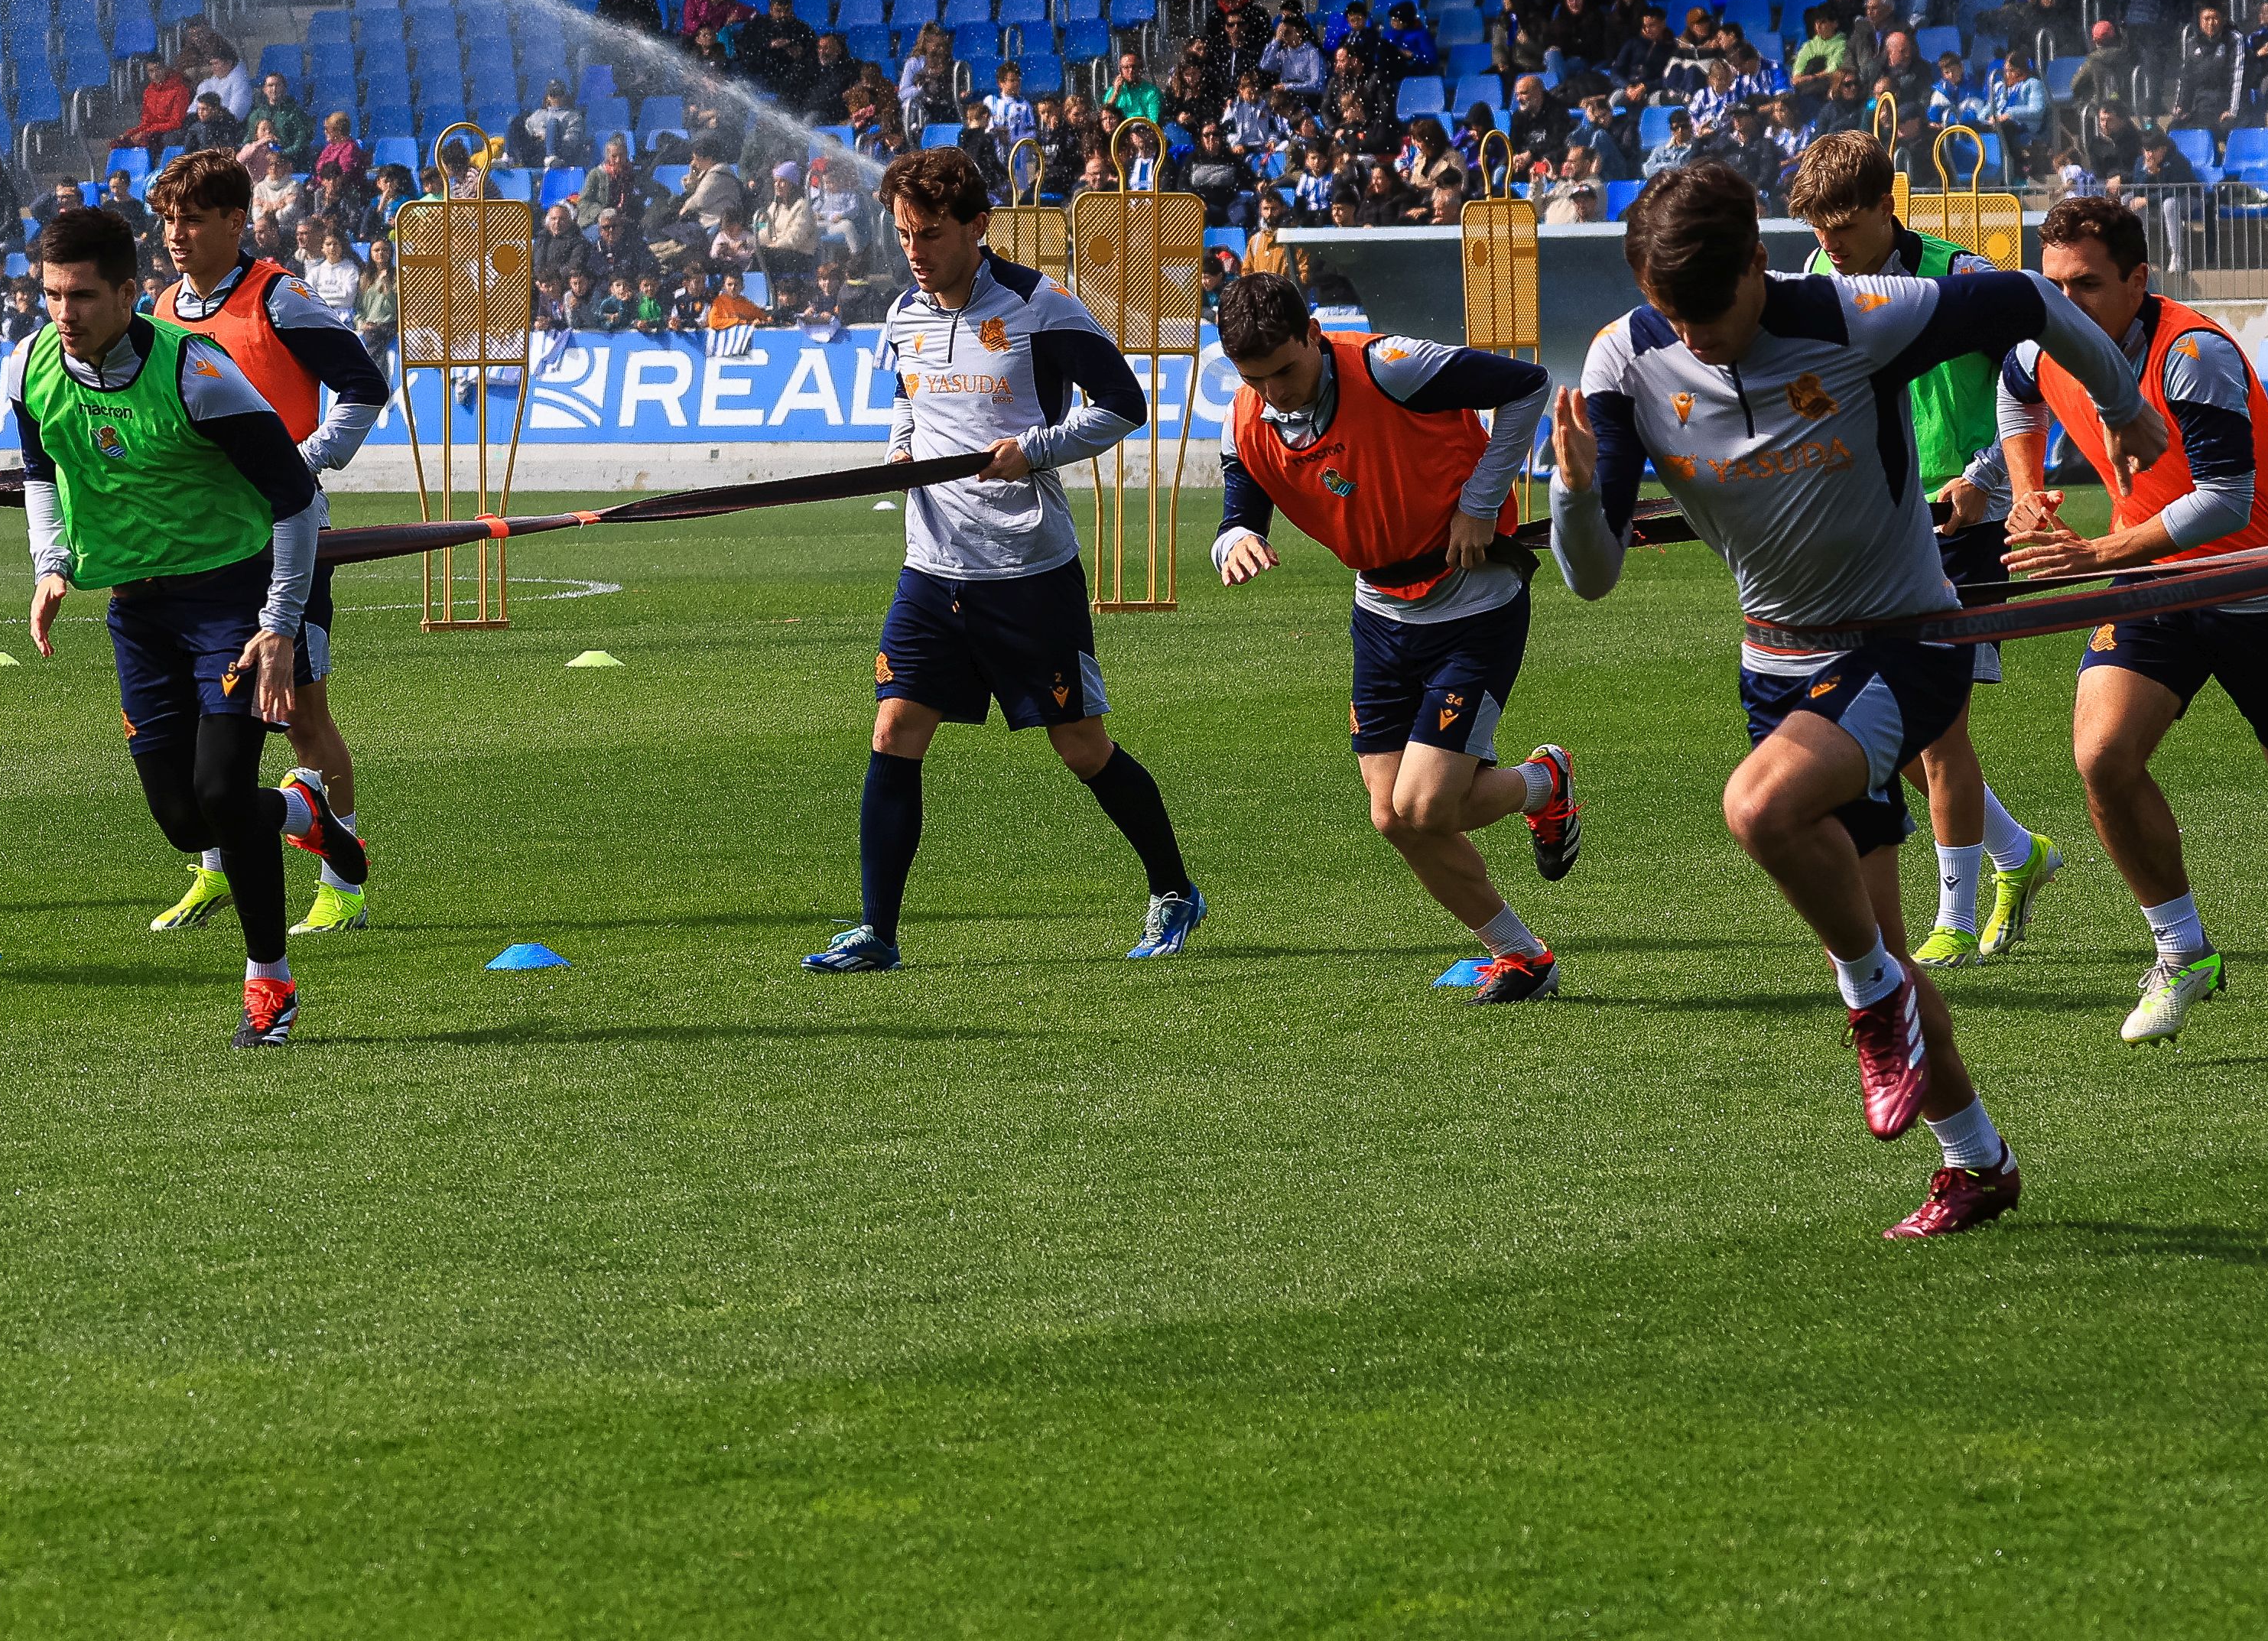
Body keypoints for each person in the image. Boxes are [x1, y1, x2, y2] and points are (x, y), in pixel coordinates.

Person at [1553, 164, 2159, 1238]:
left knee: (1759, 808)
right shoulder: (1624, 360)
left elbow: (2023, 298)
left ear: (1759, 263)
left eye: (1715, 310)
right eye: (1675, 314)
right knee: (1876, 938)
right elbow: (1592, 575)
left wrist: (2124, 408)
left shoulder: (1853, 314)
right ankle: (1977, 1160)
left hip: (1902, 642)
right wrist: (1570, 490)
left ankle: (1870, 999)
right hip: (1776, 667)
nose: (1700, 338)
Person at [804, 146, 1193, 974]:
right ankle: (878, 932)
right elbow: (908, 400)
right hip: (930, 568)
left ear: (978, 225)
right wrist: (900, 451)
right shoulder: (903, 313)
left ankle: (1173, 888)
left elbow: (1124, 403)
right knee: (894, 728)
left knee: (1080, 746)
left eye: (931, 233)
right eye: (903, 233)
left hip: (1026, 571)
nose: (914, 250)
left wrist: (1036, 449)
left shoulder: (1039, 304)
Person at [1996, 196, 2268, 1044]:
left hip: (2264, 589)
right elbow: (2015, 396)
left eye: (2086, 284)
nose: (2064, 303)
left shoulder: (2191, 352)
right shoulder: (2039, 341)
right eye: (2053, 285)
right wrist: (2021, 489)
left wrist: (2096, 552)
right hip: (2155, 589)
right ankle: (2182, 953)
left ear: (2137, 280)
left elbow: (2224, 500)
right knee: (2102, 756)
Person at [6, 204, 338, 1048]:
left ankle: (269, 985)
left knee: (222, 793)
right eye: (51, 295)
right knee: (187, 823)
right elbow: (39, 468)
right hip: (138, 611)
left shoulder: (197, 373)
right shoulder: (29, 365)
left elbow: (295, 497)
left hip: (232, 600)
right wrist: (51, 562)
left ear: (129, 294)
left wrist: (277, 624)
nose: (64, 313)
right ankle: (299, 808)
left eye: (82, 296)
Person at [1211, 273, 1579, 996]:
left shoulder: (1391, 368)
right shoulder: (1248, 416)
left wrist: (1480, 502)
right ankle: (1523, 955)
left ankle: (1545, 781)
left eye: (1284, 370)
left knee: (1426, 806)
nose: (1275, 393)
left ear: (1313, 334)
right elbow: (1239, 498)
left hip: (1474, 604)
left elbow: (1526, 386)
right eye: (1255, 379)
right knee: (1393, 815)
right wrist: (1235, 539)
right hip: (1380, 614)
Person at [1782, 136, 2068, 967]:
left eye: (1842, 225)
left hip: (1962, 527)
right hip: (1871, 523)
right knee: (1881, 725)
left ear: (1886, 207)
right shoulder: (1817, 274)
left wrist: (1986, 477)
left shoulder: (1965, 279)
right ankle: (2016, 852)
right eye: (1817, 228)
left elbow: (2042, 384)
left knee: (1936, 730)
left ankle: (1952, 918)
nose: (1829, 243)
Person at [141, 152, 392, 936]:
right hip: (198, 540)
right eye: (167, 219)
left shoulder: (278, 296)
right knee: (200, 712)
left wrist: (304, 460)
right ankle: (214, 870)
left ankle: (341, 883)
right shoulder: (162, 307)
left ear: (234, 221)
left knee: (303, 714)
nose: (175, 234)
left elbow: (365, 384)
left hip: (283, 534)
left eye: (191, 219)